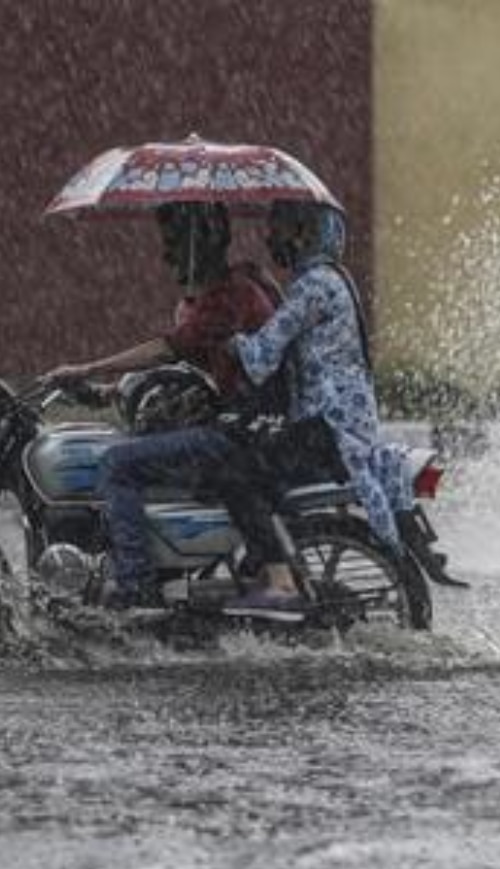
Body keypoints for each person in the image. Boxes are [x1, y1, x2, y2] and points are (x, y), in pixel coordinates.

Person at [45, 201, 279, 609]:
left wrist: (87, 368)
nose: (167, 253)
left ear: (201, 240)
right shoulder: (224, 291)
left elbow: (167, 350)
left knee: (118, 463)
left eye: (175, 240)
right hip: (243, 425)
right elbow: (187, 369)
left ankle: (136, 588)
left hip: (238, 433)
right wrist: (107, 391)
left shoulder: (230, 295)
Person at [219, 199, 412, 620]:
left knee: (234, 472)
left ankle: (280, 583)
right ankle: (269, 557)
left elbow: (264, 353)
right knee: (260, 465)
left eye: (280, 230)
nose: (271, 239)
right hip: (342, 426)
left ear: (305, 234)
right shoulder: (335, 279)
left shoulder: (313, 286)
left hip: (329, 429)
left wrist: (229, 340)